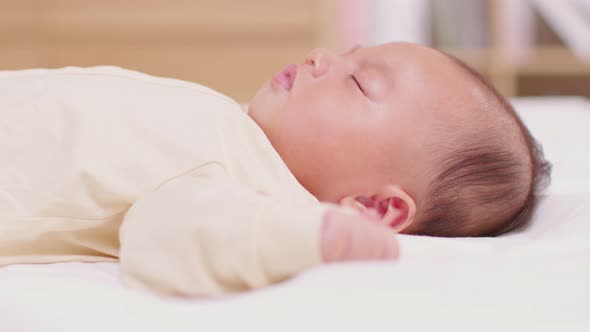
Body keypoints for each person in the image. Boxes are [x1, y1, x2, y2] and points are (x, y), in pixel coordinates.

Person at [0, 42, 550, 297]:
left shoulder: (243, 190)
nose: (320, 57)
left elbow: (175, 237)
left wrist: (300, 238)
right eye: (348, 52)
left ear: (375, 207)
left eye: (358, 82)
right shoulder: (235, 132)